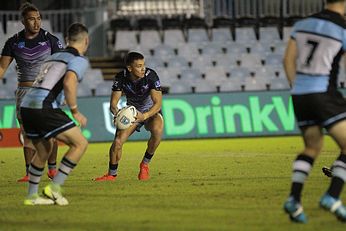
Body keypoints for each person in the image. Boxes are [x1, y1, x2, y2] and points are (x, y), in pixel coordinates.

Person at [283, 0, 346, 223]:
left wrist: (297, 87)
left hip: (300, 95)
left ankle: (294, 200)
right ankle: (332, 196)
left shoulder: (302, 24)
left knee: (312, 147)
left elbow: (287, 60)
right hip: (324, 94)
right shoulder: (342, 28)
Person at [20, 22, 89, 205]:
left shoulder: (54, 56)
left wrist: (60, 99)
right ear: (86, 40)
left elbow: (48, 83)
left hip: (27, 106)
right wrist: (75, 111)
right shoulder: (79, 59)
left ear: (67, 40)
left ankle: (32, 196)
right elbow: (69, 82)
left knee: (43, 150)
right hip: (43, 106)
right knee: (80, 143)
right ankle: (55, 187)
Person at [0, 2, 63, 182]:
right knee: (27, 133)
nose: (36, 23)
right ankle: (30, 173)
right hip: (24, 92)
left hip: (46, 91)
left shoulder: (51, 40)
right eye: (31, 19)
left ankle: (52, 169)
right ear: (23, 21)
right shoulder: (13, 42)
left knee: (51, 131)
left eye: (38, 18)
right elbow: (2, 68)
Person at [95, 52, 163, 181]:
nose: (143, 69)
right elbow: (113, 104)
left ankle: (145, 164)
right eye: (139, 66)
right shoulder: (120, 78)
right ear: (129, 68)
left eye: (143, 65)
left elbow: (158, 103)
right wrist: (117, 113)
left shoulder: (151, 75)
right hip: (132, 112)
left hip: (150, 111)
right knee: (118, 142)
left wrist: (145, 115)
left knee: (158, 130)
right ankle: (111, 175)